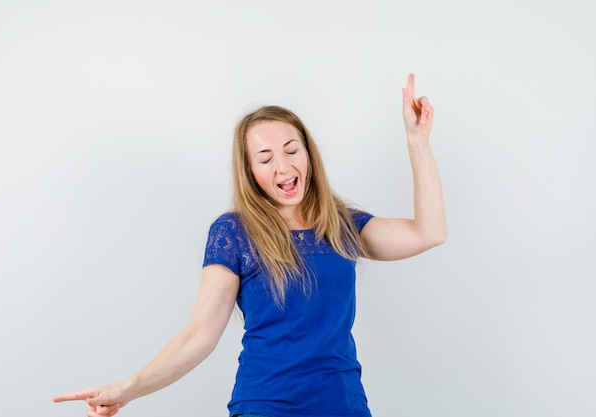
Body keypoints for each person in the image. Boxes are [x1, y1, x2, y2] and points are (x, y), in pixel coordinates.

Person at [53, 73, 446, 417]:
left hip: (344, 405)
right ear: (250, 171)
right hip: (265, 406)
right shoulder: (234, 232)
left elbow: (429, 232)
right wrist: (124, 391)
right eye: (265, 158)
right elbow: (198, 336)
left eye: (292, 150)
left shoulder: (341, 224)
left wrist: (417, 141)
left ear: (308, 153)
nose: (283, 167)